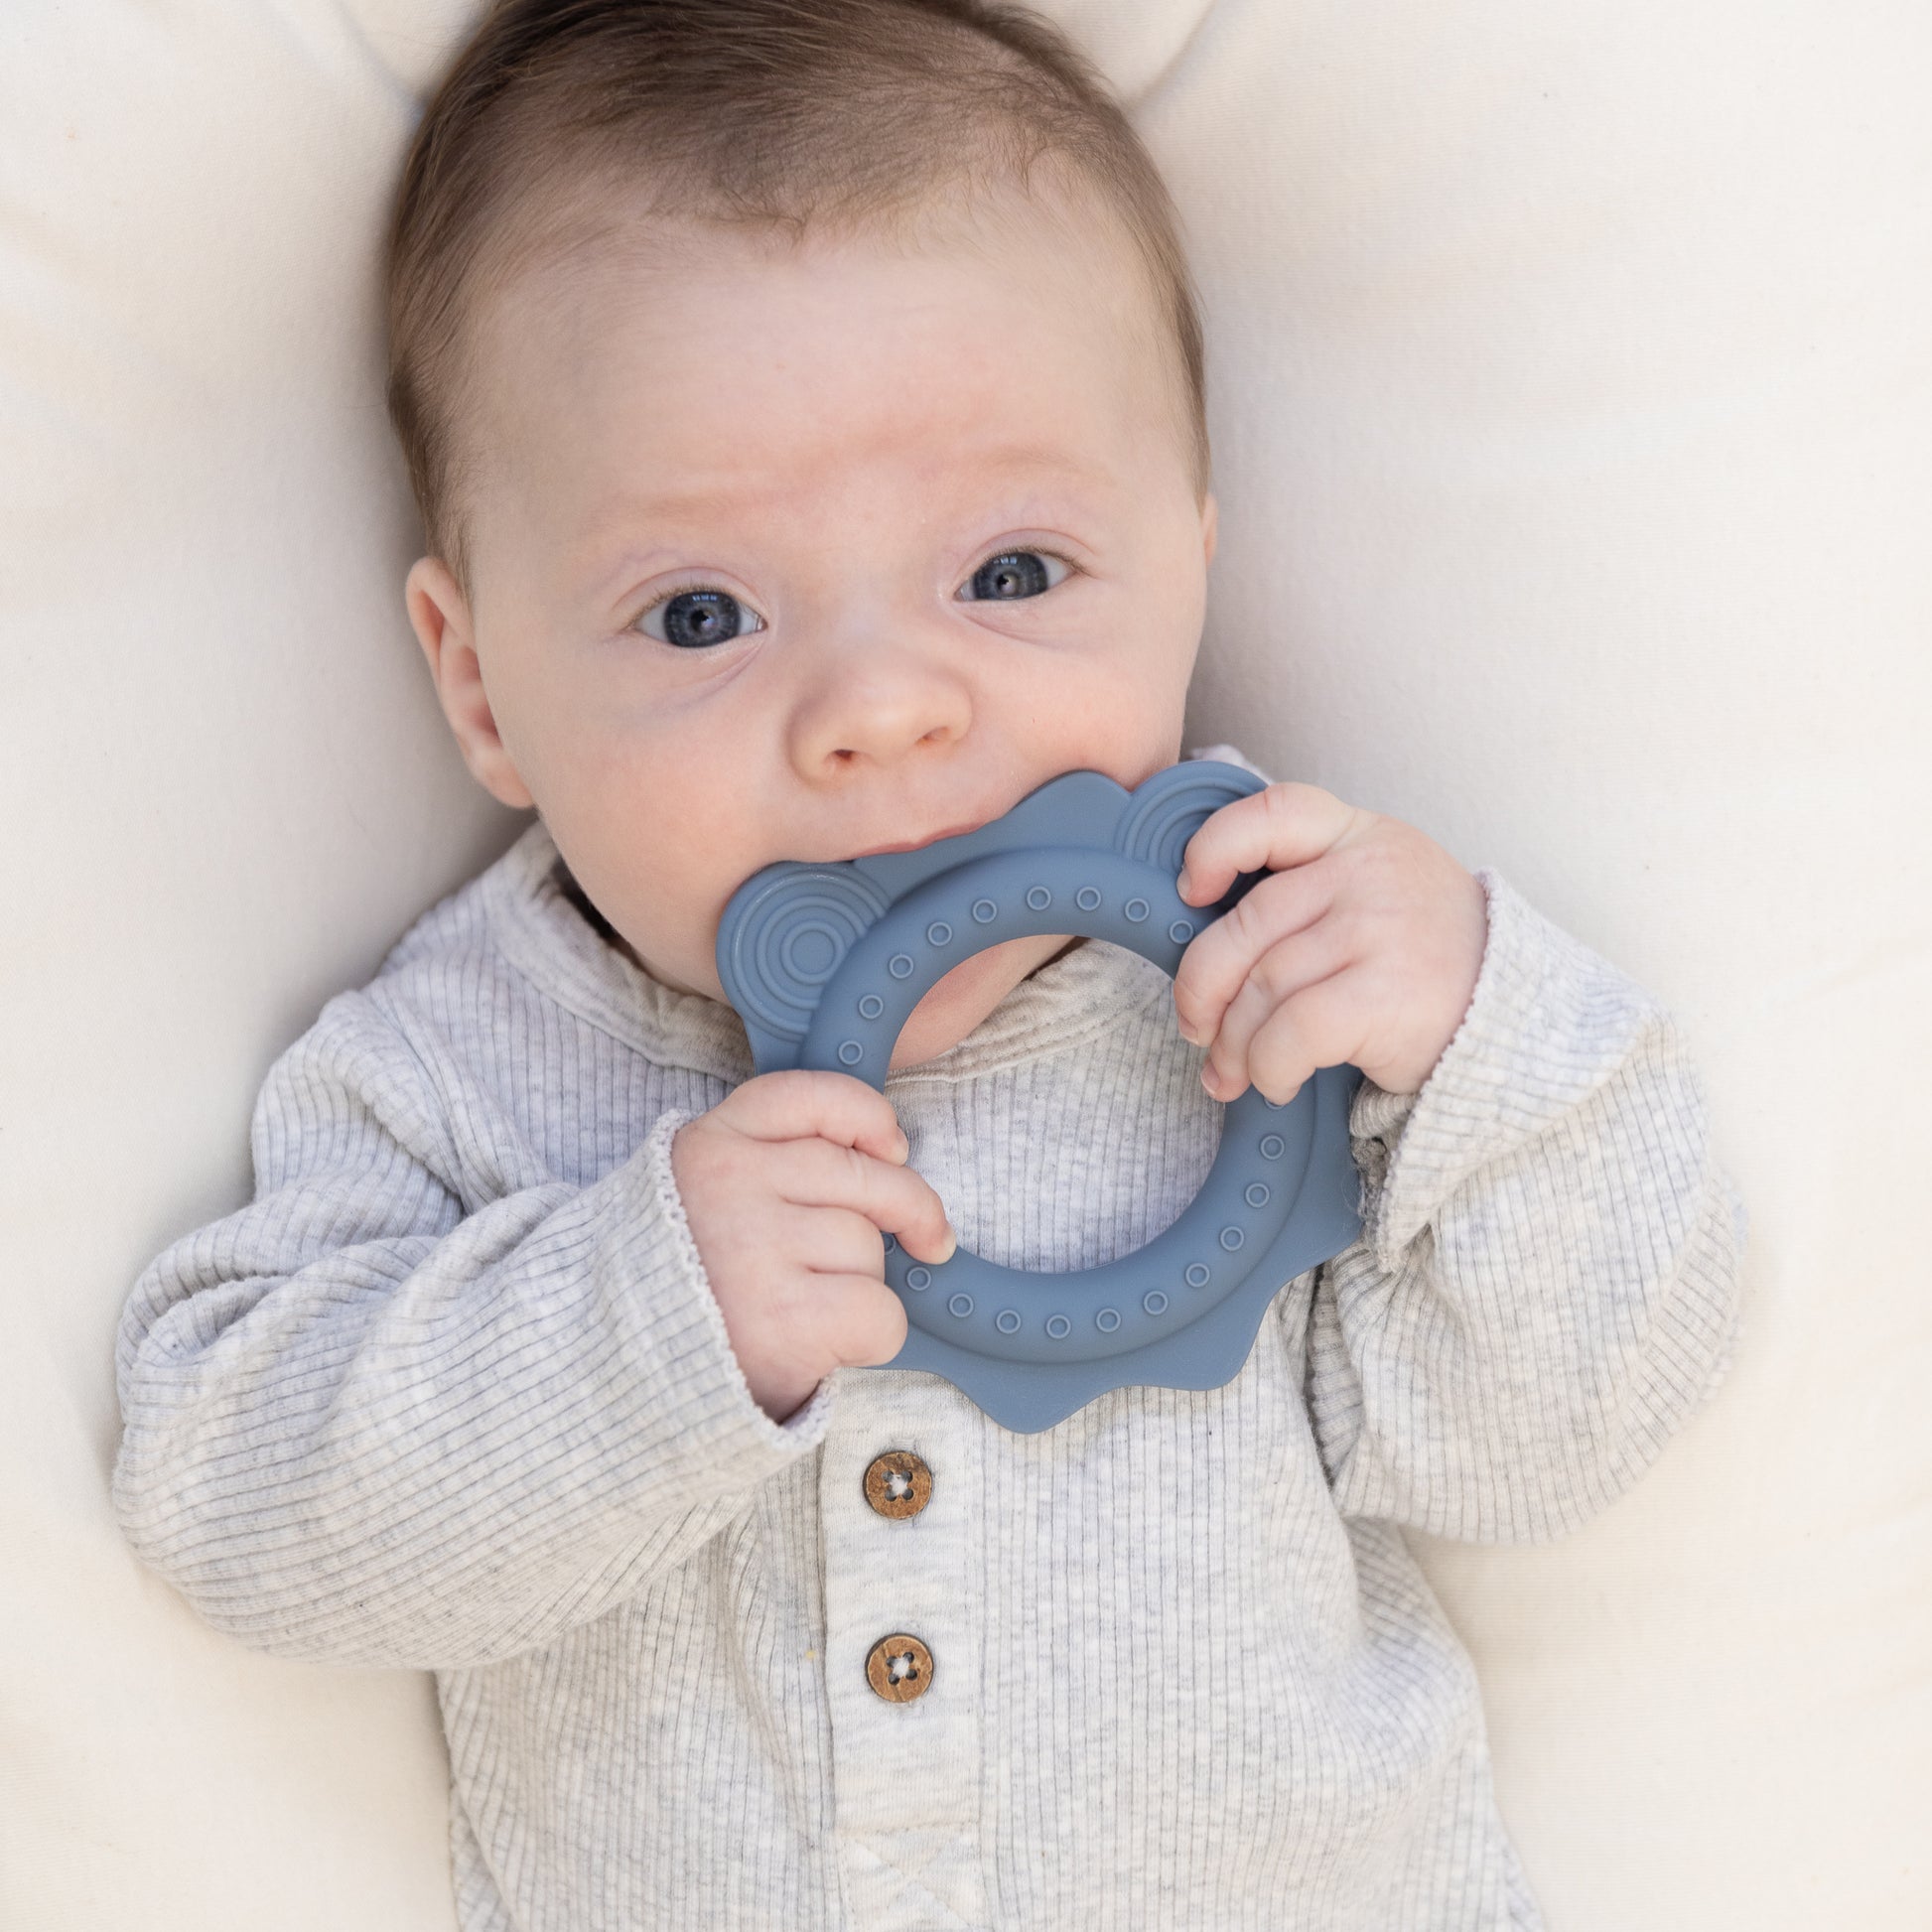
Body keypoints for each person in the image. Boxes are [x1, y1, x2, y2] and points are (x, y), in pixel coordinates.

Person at [109, 1, 1745, 1924]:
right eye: (700, 613)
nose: (881, 708)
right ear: (481, 686)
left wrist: (1487, 1032)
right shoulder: (456, 1068)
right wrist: (643, 1318)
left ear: (1189, 570)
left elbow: (1563, 1428)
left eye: (1009, 574)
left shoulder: (1268, 973)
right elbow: (226, 1498)